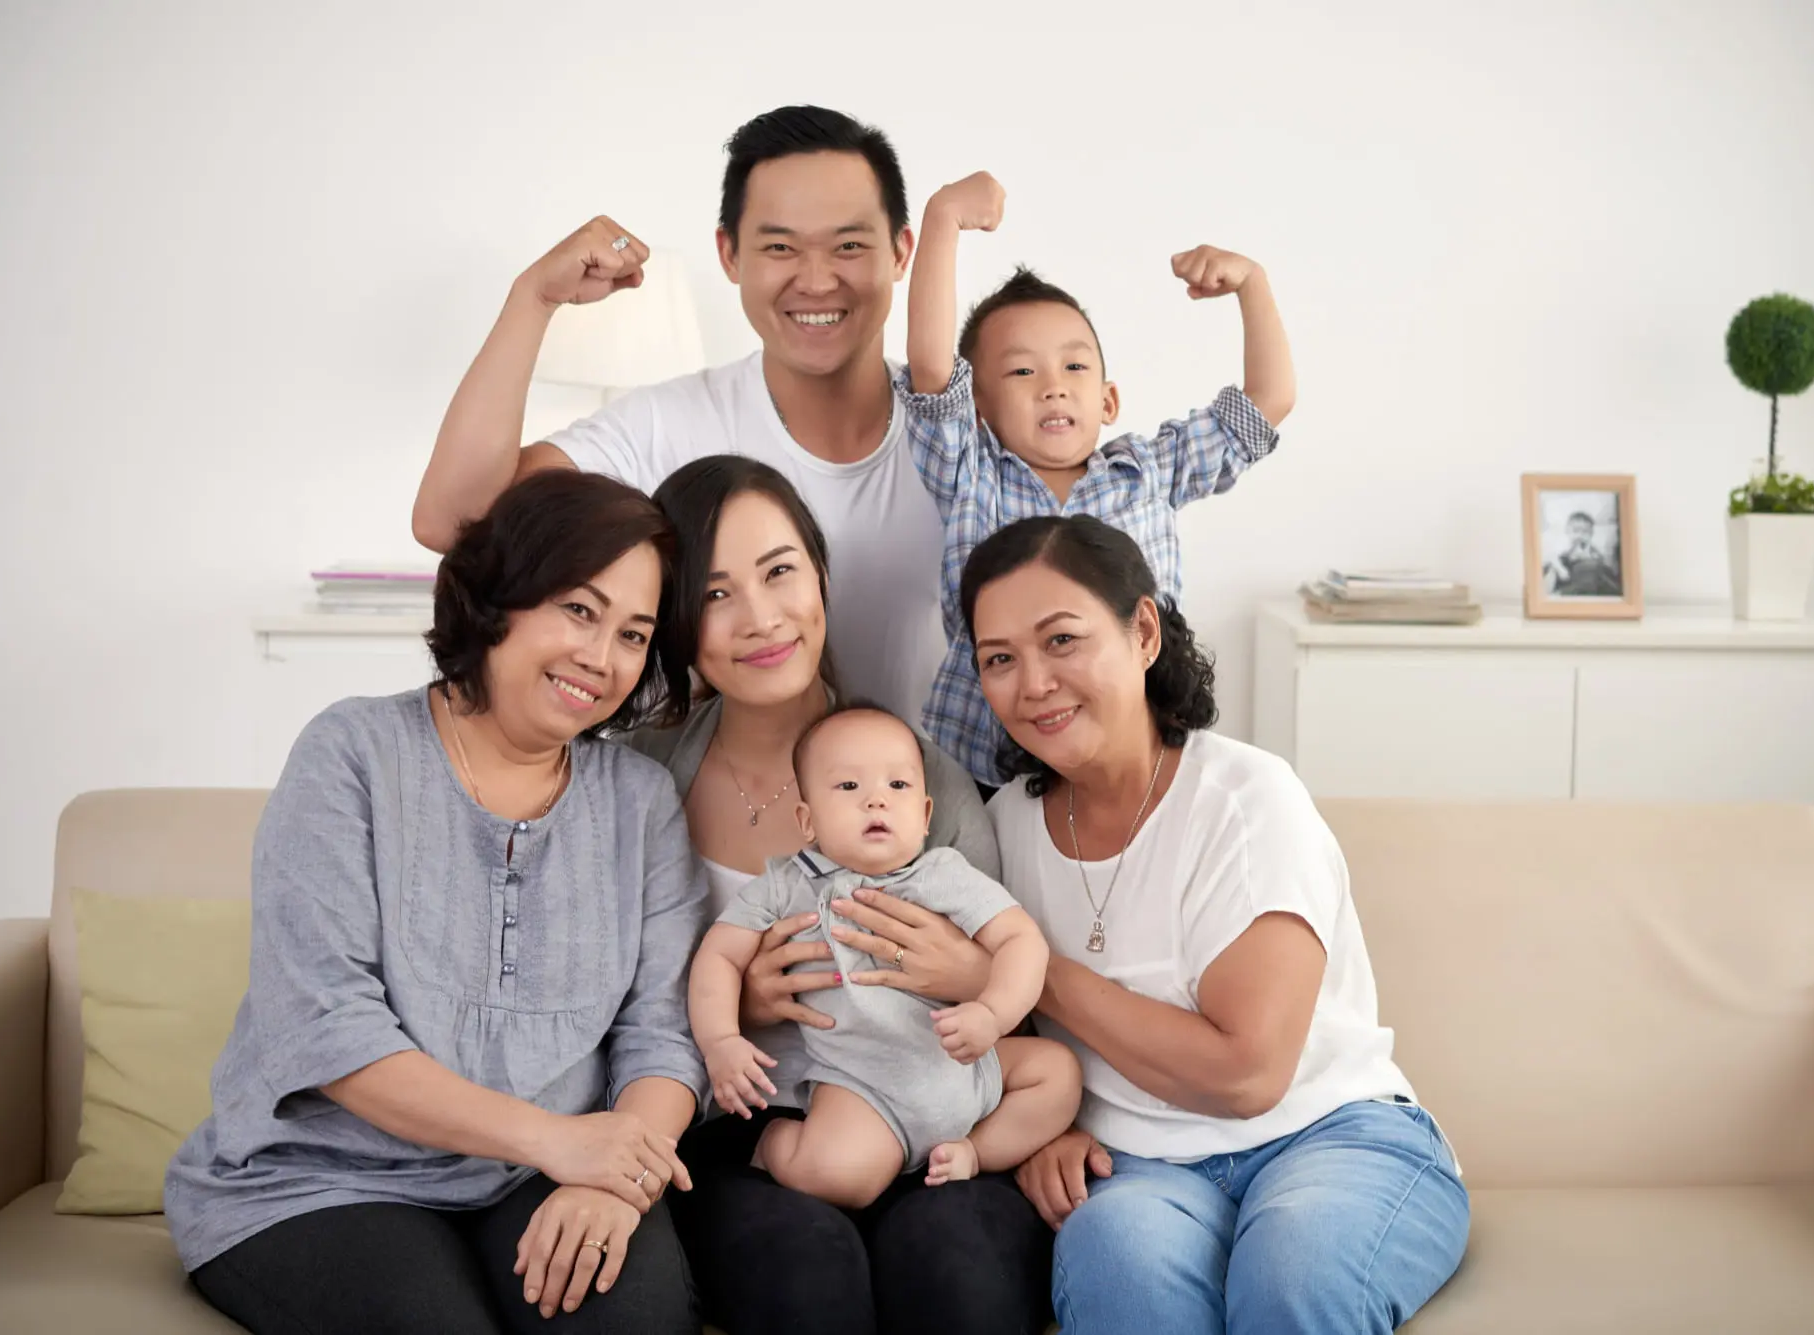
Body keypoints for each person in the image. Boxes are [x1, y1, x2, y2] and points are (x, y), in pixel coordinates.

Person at [165, 471, 708, 1334]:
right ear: (501, 596)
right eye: (578, 609)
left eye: (633, 632)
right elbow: (328, 1028)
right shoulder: (352, 752)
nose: (601, 658)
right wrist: (554, 1139)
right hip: (322, 1177)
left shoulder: (639, 802)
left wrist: (617, 1172)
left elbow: (662, 1034)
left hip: (551, 1175)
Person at [962, 515, 1470, 1335]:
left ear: (1143, 631)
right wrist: (1041, 1132)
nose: (1034, 682)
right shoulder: (1004, 830)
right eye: (999, 659)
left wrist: (1033, 966)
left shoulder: (1246, 800)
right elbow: (1000, 1041)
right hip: (1137, 1168)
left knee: (1291, 1278)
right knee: (1114, 1261)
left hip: (1325, 1134)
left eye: (1062, 639)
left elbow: (1246, 1075)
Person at [624, 456, 1056, 1335]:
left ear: (821, 577)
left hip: (933, 1106)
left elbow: (1013, 987)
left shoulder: (917, 774)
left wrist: (965, 971)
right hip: (750, 1124)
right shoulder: (643, 776)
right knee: (804, 1287)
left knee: (958, 1286)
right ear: (676, 622)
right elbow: (612, 1000)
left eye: (780, 571)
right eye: (715, 594)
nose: (760, 617)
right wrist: (733, 1006)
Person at [413, 105, 946, 726]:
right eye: (780, 247)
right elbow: (454, 521)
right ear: (730, 255)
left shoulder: (967, 429)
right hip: (721, 804)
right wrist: (533, 299)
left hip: (946, 805)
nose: (817, 280)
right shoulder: (669, 426)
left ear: (902, 252)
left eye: (849, 246)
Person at [895, 170, 1296, 784]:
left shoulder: (1149, 469)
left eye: (1074, 365)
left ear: (1108, 400)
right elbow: (929, 366)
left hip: (1128, 743)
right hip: (990, 758)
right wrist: (943, 219)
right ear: (976, 404)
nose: (1053, 383)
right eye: (1022, 373)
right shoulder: (970, 473)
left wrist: (1253, 284)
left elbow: (1267, 402)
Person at [691, 703, 1080, 1207]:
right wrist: (720, 1040)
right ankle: (777, 1144)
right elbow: (718, 955)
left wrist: (992, 1012)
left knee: (1059, 1076)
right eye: (848, 787)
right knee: (841, 1179)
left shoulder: (943, 874)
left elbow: (1021, 942)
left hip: (968, 1066)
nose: (876, 800)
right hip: (863, 1087)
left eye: (897, 786)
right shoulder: (788, 884)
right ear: (807, 820)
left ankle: (974, 1153)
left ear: (924, 816)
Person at [1544, 510, 1622, 596]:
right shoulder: (1564, 547)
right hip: (1563, 574)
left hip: (1580, 578)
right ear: (1567, 531)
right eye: (1575, 531)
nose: (1580, 535)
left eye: (1585, 532)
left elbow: (1598, 563)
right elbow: (1553, 558)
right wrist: (1560, 568)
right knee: (1551, 570)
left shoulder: (1591, 550)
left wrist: (1586, 556)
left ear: (1591, 534)